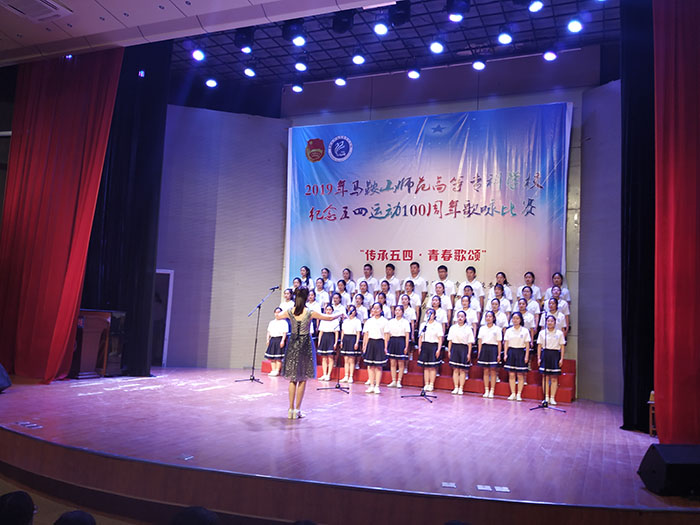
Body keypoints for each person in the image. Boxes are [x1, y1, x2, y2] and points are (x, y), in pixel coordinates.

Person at [276, 287, 343, 419]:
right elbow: (329, 318)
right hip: (305, 344)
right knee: (302, 378)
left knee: (293, 379)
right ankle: (297, 410)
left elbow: (278, 316)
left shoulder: (290, 311)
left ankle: (290, 409)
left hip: (293, 343)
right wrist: (340, 314)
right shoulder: (309, 312)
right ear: (306, 297)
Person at [537, 314, 567, 405]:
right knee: (545, 377)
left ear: (555, 322)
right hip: (545, 354)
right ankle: (546, 396)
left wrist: (561, 359)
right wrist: (538, 358)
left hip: (555, 355)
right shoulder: (542, 333)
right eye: (548, 321)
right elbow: (539, 346)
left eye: (551, 321)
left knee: (554, 377)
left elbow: (562, 346)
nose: (550, 323)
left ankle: (552, 397)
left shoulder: (559, 333)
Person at [503, 312, 531, 401]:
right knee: (511, 374)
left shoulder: (525, 331)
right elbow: (506, 343)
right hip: (511, 352)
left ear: (520, 320)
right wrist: (505, 354)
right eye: (514, 318)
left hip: (520, 352)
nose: (515, 320)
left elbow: (527, 345)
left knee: (520, 374)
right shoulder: (509, 330)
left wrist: (526, 356)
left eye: (517, 318)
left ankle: (519, 394)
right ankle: (513, 393)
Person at [362, 303, 388, 393]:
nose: (375, 310)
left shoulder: (384, 321)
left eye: (377, 308)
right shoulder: (369, 321)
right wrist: (364, 345)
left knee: (378, 366)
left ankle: (377, 386)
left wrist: (385, 347)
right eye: (374, 308)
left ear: (381, 310)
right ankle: (371, 385)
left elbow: (386, 335)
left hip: (380, 343)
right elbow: (366, 334)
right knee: (370, 365)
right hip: (371, 343)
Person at [447, 310, 475, 395]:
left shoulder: (468, 328)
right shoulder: (453, 328)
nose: (460, 318)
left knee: (462, 370)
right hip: (455, 348)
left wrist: (469, 353)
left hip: (464, 349)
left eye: (462, 316)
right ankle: (456, 387)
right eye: (459, 316)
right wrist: (449, 351)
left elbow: (470, 343)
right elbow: (450, 340)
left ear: (465, 318)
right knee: (455, 369)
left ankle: (461, 388)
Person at [417, 308, 444, 391]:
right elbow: (420, 337)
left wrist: (438, 349)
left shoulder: (438, 325)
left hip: (433, 346)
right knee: (426, 367)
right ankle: (426, 384)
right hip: (425, 345)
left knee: (432, 367)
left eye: (431, 313)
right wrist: (419, 347)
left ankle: (431, 384)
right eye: (428, 313)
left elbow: (440, 338)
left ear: (434, 315)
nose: (429, 315)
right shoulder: (423, 324)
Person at [477, 311, 502, 398]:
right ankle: (486, 390)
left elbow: (499, 342)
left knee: (493, 370)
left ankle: (492, 390)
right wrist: (479, 352)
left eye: (490, 316)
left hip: (493, 349)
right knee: (486, 370)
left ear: (493, 318)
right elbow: (480, 341)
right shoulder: (482, 328)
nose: (488, 318)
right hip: (484, 348)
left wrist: (499, 354)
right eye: (487, 316)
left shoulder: (497, 329)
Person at [385, 305, 411, 388]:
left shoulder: (405, 322)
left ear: (402, 312)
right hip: (392, 341)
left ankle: (399, 381)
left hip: (401, 341)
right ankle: (393, 380)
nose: (397, 312)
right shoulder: (391, 322)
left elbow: (407, 335)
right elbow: (388, 334)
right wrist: (386, 345)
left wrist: (406, 346)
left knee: (401, 362)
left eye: (399, 310)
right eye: (396, 310)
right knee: (392, 362)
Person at [339, 305, 362, 383]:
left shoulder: (357, 321)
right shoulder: (345, 321)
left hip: (353, 338)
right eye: (350, 310)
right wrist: (341, 341)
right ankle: (346, 376)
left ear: (355, 312)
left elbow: (358, 333)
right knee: (346, 359)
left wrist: (356, 342)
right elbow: (342, 331)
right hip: (346, 338)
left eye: (353, 310)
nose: (351, 312)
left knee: (351, 359)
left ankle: (351, 376)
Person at [317, 305, 340, 381]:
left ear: (332, 311)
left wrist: (335, 343)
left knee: (330, 357)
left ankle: (329, 375)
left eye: (330, 309)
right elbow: (321, 331)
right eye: (327, 309)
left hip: (331, 337)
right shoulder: (323, 319)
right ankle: (324, 374)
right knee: (324, 357)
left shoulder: (335, 320)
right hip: (324, 337)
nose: (328, 311)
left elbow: (336, 332)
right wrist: (319, 341)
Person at [264, 307, 287, 376]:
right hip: (272, 340)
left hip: (279, 339)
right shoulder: (272, 322)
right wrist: (267, 340)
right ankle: (273, 370)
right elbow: (268, 332)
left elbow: (284, 333)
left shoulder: (284, 322)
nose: (277, 314)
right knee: (272, 357)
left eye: (279, 312)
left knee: (278, 358)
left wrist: (283, 341)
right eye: (276, 312)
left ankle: (277, 371)